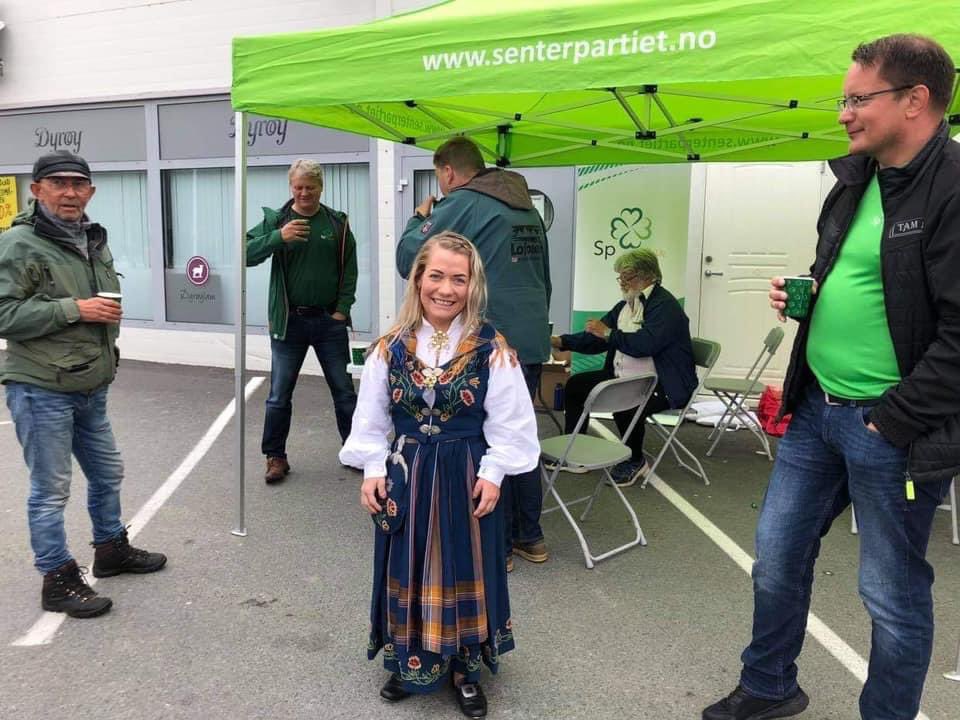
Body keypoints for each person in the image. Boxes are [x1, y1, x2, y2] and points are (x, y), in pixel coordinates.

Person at [704, 35, 960, 720]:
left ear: (915, 100)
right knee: (776, 555)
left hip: (891, 427)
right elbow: (867, 280)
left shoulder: (952, 187)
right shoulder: (856, 178)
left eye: (857, 99)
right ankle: (769, 687)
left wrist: (891, 421)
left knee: (891, 593)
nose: (843, 113)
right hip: (818, 410)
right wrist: (811, 297)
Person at [341, 232, 538, 719]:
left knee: (463, 566)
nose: (446, 289)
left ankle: (465, 671)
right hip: (407, 473)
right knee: (406, 566)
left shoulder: (493, 349)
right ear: (418, 280)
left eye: (459, 279)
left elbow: (511, 424)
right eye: (436, 276)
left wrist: (494, 473)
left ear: (473, 285)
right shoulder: (389, 348)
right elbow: (371, 419)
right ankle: (409, 663)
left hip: (464, 471)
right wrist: (372, 468)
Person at [0, 150, 167, 619]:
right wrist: (76, 309)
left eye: (78, 184)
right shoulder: (18, 244)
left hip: (90, 383)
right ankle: (56, 578)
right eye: (59, 183)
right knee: (50, 490)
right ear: (37, 190)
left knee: (108, 472)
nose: (70, 192)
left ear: (90, 192)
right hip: (40, 386)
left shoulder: (92, 238)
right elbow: (3, 313)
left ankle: (110, 549)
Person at [397, 136, 551, 569]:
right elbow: (545, 277)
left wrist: (418, 218)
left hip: (489, 343)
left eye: (439, 176)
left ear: (447, 171)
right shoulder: (526, 206)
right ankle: (531, 537)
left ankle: (497, 547)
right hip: (529, 338)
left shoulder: (463, 202)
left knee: (486, 442)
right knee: (519, 433)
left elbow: (410, 259)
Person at [246, 159, 359, 483]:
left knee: (344, 392)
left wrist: (342, 310)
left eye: (310, 187)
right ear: (291, 187)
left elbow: (349, 270)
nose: (304, 193)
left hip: (328, 322)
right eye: (298, 187)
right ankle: (275, 457)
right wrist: (278, 237)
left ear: (321, 187)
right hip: (289, 322)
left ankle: (355, 449)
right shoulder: (278, 220)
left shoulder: (336, 223)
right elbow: (245, 254)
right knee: (279, 395)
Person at [552, 248, 697, 486]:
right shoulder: (626, 305)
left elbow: (645, 344)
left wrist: (609, 333)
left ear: (647, 275)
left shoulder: (665, 306)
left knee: (626, 401)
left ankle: (635, 460)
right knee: (577, 385)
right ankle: (573, 449)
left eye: (627, 276)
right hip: (626, 377)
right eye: (620, 276)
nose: (621, 281)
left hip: (664, 384)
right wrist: (561, 341)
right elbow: (597, 338)